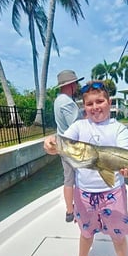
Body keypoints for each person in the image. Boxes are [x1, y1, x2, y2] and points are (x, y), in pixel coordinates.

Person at [44, 80, 128, 256]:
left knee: (118, 236)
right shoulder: (78, 127)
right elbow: (59, 141)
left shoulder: (119, 130)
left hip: (113, 193)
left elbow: (127, 162)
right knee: (86, 234)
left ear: (109, 102)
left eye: (100, 101)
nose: (95, 107)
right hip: (84, 194)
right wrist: (49, 143)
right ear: (84, 106)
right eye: (90, 103)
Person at [53, 69, 84, 222]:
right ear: (71, 84)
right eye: (76, 83)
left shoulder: (58, 100)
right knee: (78, 179)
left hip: (62, 145)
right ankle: (78, 211)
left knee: (68, 179)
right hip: (72, 148)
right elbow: (76, 126)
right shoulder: (67, 102)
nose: (78, 86)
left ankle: (69, 211)